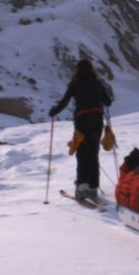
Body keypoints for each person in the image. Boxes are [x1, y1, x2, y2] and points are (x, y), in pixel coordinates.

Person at [49, 59, 112, 200]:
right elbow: (108, 102)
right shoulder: (97, 82)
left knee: (83, 153)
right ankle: (93, 187)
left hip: (82, 121)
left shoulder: (75, 83)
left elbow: (64, 101)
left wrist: (54, 111)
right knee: (93, 154)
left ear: (77, 70)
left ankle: (82, 187)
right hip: (97, 120)